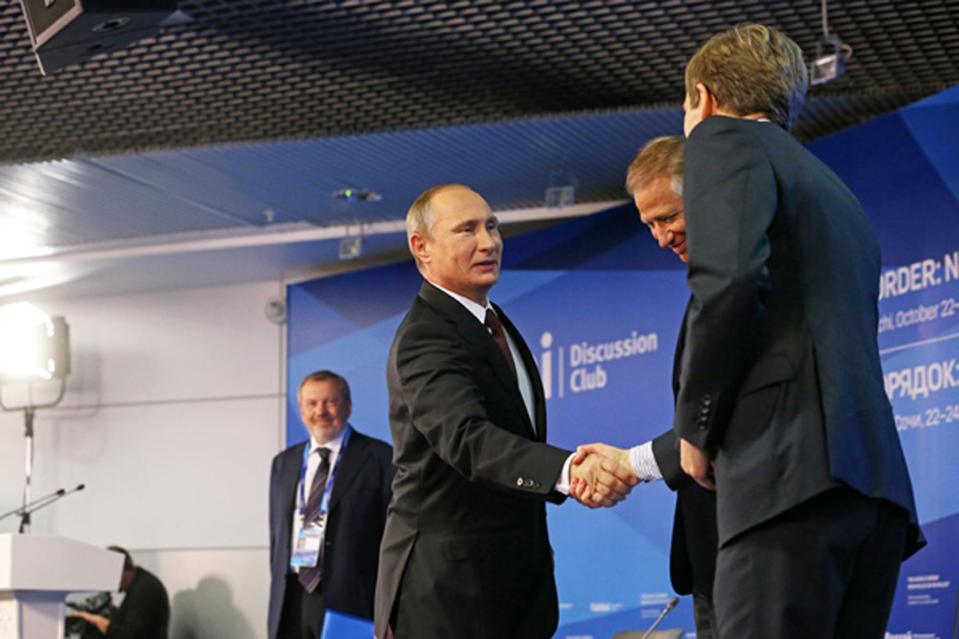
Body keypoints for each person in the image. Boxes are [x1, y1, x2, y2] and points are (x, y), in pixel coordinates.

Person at [674, 23, 922, 638]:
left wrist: (696, 427)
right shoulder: (835, 189)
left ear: (702, 98)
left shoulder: (720, 141)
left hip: (786, 480)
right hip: (873, 490)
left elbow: (730, 282)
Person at [373, 184, 637, 639]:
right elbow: (467, 438)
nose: (488, 241)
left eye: (493, 226)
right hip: (449, 597)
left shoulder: (491, 322)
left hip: (512, 586)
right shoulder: (425, 336)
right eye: (466, 230)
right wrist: (568, 470)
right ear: (422, 248)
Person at [575, 135, 719, 638]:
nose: (661, 237)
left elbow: (720, 420)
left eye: (668, 218)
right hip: (715, 562)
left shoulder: (740, 289)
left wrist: (626, 464)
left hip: (754, 551)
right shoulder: (706, 288)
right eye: (650, 225)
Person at [268, 370, 393, 639]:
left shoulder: (380, 458)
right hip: (292, 598)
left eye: (330, 402)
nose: (320, 411)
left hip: (353, 601)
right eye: (312, 404)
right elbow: (277, 537)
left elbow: (392, 538)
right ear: (301, 411)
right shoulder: (283, 463)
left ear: (348, 407)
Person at [71, 546, 169, 639]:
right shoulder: (141, 583)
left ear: (118, 571)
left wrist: (97, 620)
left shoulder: (144, 589)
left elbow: (127, 635)